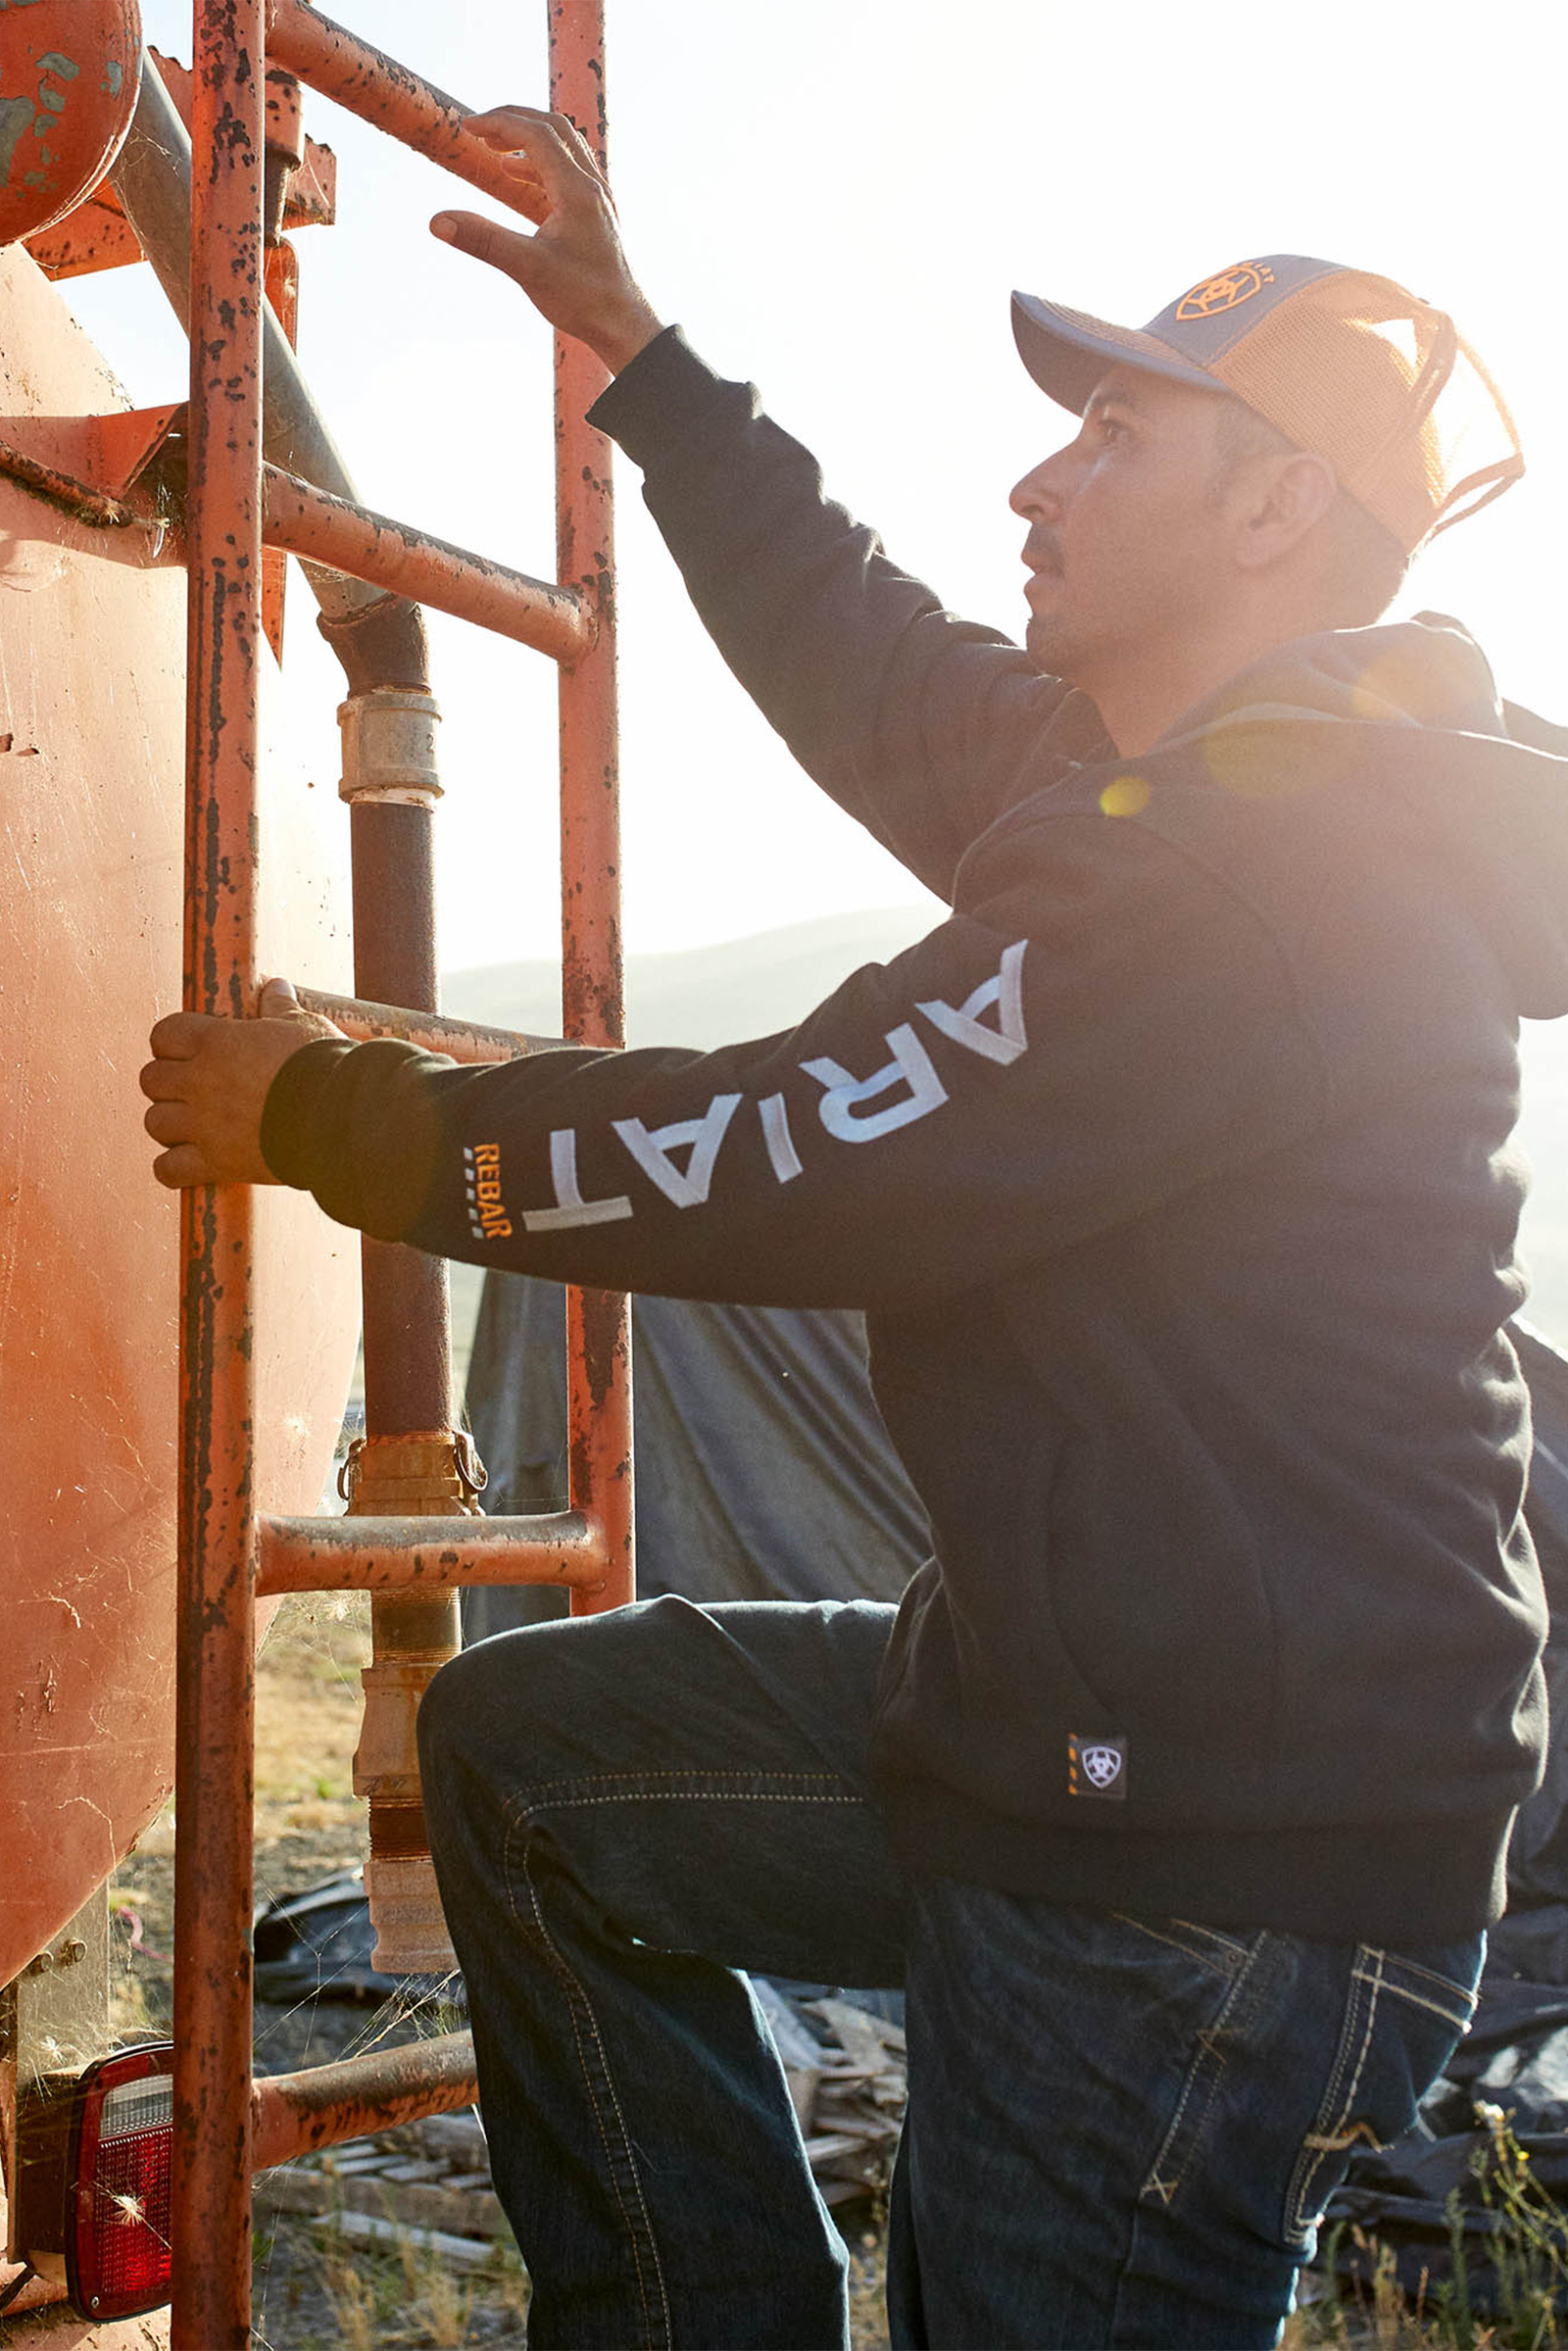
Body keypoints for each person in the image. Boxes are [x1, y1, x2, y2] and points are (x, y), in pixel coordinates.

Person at [141, 107, 1568, 2351]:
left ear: (1274, 508)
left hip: (1206, 1857)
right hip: (1069, 1731)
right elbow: (871, 666)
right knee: (534, 1767)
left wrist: (343, 1120)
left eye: (1110, 438)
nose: (1033, 483)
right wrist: (644, 359)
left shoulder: (1256, 871)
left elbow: (802, 1143)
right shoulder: (1155, 785)